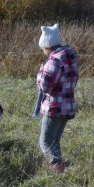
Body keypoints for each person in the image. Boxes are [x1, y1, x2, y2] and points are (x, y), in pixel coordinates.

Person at [36, 23, 79, 173]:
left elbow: (44, 87)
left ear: (47, 46)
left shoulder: (53, 61)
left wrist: (40, 74)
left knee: (45, 142)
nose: (42, 51)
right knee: (54, 141)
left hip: (54, 107)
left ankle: (57, 167)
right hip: (68, 106)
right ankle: (59, 168)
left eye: (42, 48)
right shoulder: (70, 57)